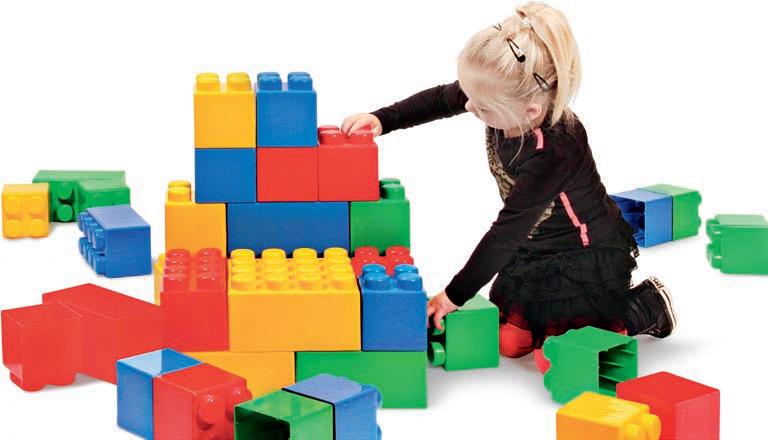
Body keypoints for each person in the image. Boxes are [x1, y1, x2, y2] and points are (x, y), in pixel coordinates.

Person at [341, 2, 676, 361]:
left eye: (481, 106)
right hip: (534, 248)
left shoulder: (555, 149)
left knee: (556, 358)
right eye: (469, 95)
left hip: (582, 255)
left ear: (530, 111)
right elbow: (440, 98)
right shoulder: (499, 97)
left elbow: (506, 232)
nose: (468, 107)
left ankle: (644, 306)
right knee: (510, 343)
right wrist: (383, 119)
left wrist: (453, 296)